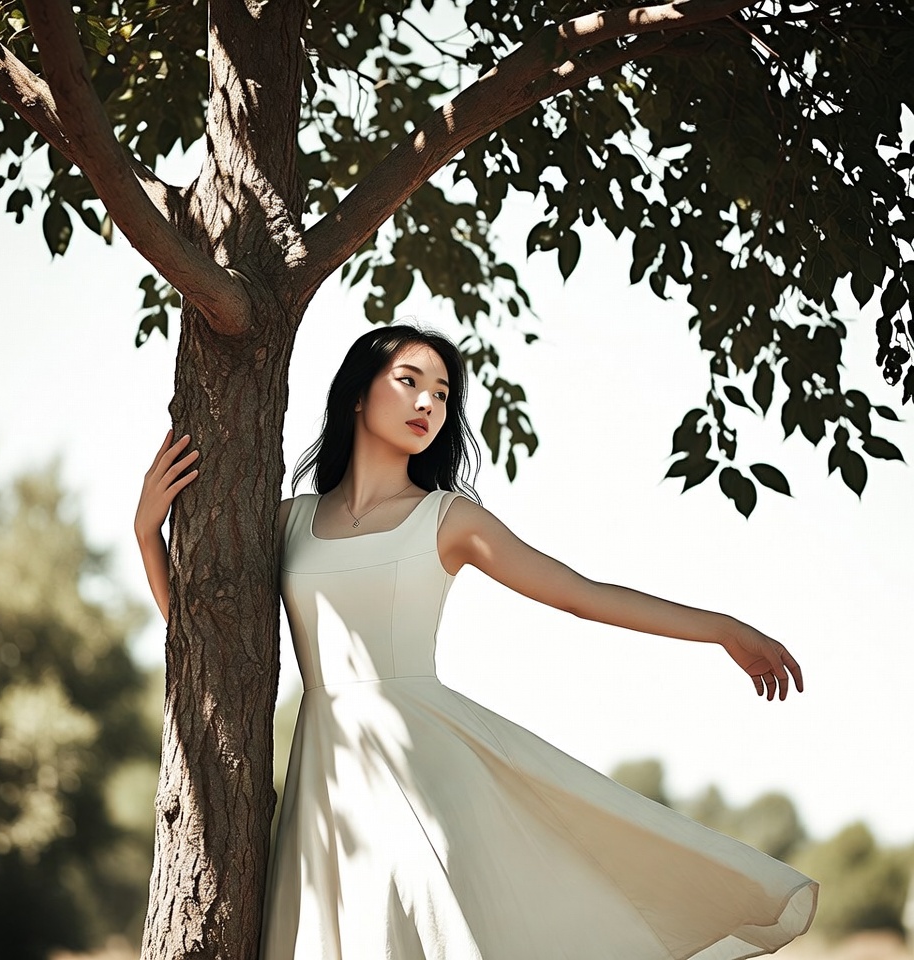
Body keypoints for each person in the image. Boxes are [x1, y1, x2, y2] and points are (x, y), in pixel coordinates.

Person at [135, 325, 817, 960]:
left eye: (442, 393)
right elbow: (207, 645)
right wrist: (147, 536)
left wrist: (723, 629)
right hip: (326, 777)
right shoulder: (288, 520)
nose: (427, 402)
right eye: (409, 381)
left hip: (426, 773)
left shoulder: (448, 518)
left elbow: (581, 595)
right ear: (356, 392)